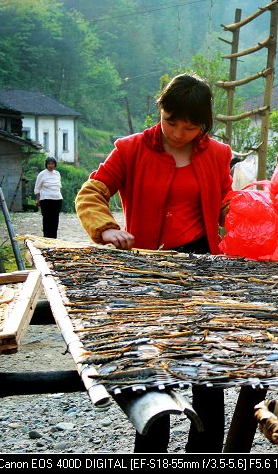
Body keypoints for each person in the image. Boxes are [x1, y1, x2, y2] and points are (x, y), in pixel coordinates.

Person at [75, 73, 233, 453]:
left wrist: (263, 220)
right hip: (146, 271)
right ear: (160, 111)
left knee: (207, 368)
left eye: (190, 126)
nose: (178, 132)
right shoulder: (130, 149)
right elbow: (91, 192)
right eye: (170, 121)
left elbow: (228, 204)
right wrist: (106, 228)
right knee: (153, 373)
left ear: (204, 124)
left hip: (201, 269)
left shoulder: (217, 155)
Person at [34, 156, 63, 238]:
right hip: (46, 199)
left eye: (52, 164)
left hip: (57, 199)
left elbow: (58, 187)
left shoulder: (57, 174)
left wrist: (60, 196)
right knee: (47, 219)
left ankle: (54, 238)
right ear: (46, 165)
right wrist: (37, 199)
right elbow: (37, 187)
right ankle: (46, 237)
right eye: (49, 164)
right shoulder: (42, 174)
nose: (51, 165)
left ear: (55, 165)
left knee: (55, 219)